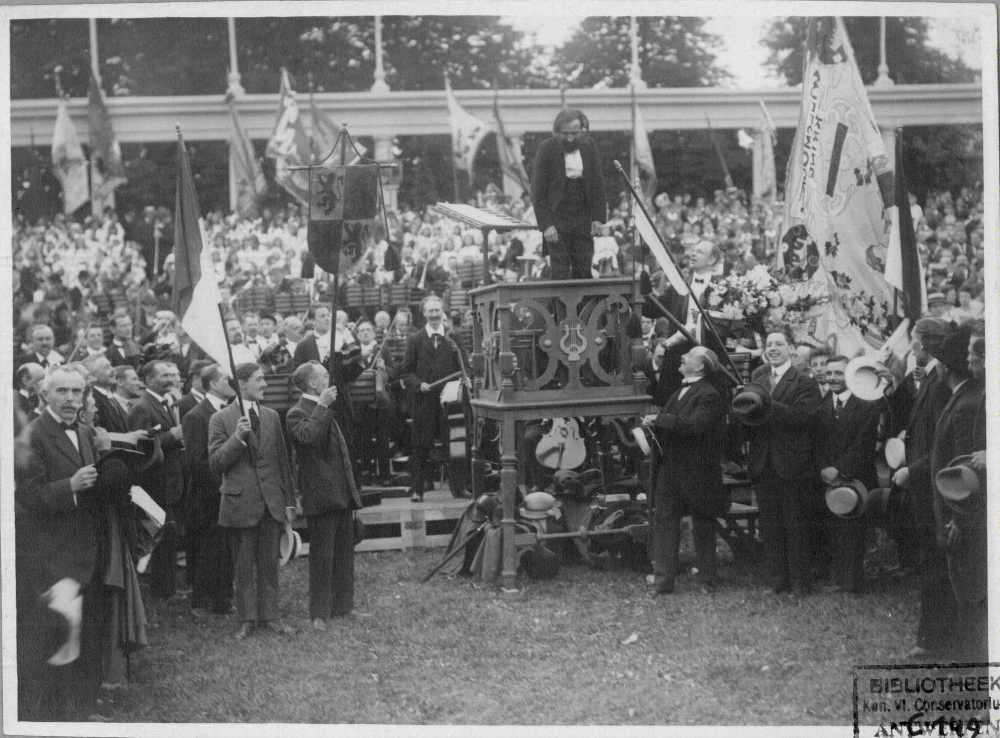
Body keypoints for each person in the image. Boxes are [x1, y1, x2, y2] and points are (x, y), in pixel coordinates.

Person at [16, 367, 107, 720]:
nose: (71, 399)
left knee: (85, 631)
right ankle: (50, 715)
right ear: (45, 395)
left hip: (87, 548)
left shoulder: (84, 431)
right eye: (62, 391)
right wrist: (69, 486)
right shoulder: (31, 435)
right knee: (54, 636)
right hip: (52, 552)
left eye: (77, 391)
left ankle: (81, 709)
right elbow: (28, 497)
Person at [208, 363, 297, 640]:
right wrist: (237, 438)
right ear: (242, 383)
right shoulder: (220, 419)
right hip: (241, 504)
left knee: (270, 563)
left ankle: (270, 616)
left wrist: (289, 501)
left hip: (271, 502)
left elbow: (283, 461)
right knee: (243, 565)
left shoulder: (271, 416)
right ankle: (247, 618)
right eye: (259, 379)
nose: (265, 385)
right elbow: (216, 463)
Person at [892, 318, 956, 661]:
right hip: (925, 486)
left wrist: (911, 471)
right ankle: (932, 638)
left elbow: (941, 444)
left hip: (932, 487)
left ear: (927, 345)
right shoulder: (930, 379)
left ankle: (934, 640)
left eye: (914, 341)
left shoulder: (940, 383)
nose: (911, 348)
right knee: (931, 562)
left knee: (936, 564)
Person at [745, 326, 822, 598]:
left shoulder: (804, 382)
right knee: (770, 525)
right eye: (769, 344)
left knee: (795, 525)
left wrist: (765, 402)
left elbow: (804, 418)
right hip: (763, 463)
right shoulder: (758, 378)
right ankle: (777, 580)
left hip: (792, 464)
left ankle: (800, 583)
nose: (773, 349)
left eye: (778, 344)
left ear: (791, 348)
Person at [286, 362, 363, 630]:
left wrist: (351, 492)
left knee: (344, 552)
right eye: (325, 376)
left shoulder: (326, 408)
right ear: (312, 384)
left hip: (340, 491)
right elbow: (308, 438)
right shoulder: (297, 413)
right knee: (322, 555)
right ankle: (319, 612)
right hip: (320, 494)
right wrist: (321, 407)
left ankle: (343, 606)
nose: (330, 380)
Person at [646, 346, 727, 595]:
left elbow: (695, 426)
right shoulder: (679, 390)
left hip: (698, 471)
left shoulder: (710, 394)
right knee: (665, 522)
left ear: (700, 366)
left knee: (703, 524)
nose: (682, 357)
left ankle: (707, 580)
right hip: (670, 468)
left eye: (689, 355)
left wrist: (659, 420)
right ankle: (663, 581)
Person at [927, 323, 984, 662]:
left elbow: (965, 469)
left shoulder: (965, 405)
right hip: (954, 513)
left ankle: (974, 665)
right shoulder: (963, 398)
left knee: (968, 592)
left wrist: (957, 519)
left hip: (959, 516)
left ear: (946, 368)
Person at [816, 355, 879, 594]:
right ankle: (837, 578)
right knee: (833, 527)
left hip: (856, 476)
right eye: (829, 373)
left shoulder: (865, 404)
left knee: (853, 530)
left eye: (838, 373)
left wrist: (840, 469)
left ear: (850, 376)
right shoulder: (823, 403)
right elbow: (815, 441)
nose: (832, 378)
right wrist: (824, 467)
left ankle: (852, 582)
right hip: (828, 478)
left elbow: (864, 443)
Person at [398, 295, 469, 503]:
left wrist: (462, 382)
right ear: (424, 313)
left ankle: (459, 488)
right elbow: (406, 372)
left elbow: (465, 367)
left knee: (455, 445)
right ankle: (418, 489)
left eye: (437, 310)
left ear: (443, 312)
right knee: (420, 446)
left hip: (451, 402)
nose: (434, 314)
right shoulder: (415, 339)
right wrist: (419, 384)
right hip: (423, 402)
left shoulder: (454, 337)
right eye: (430, 311)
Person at [127, 360, 186, 599]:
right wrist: (172, 436)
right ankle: (163, 590)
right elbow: (140, 446)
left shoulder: (163, 401)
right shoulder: (142, 407)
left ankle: (166, 588)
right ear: (148, 380)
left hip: (170, 481)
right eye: (163, 376)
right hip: (157, 483)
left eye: (171, 375)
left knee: (169, 536)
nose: (170, 380)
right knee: (162, 536)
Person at [181, 364, 236, 617]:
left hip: (227, 491)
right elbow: (196, 461)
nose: (231, 383)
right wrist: (221, 487)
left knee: (225, 547)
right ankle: (201, 601)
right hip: (208, 495)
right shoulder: (196, 416)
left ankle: (223, 599)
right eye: (226, 379)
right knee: (208, 549)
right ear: (213, 384)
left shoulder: (230, 411)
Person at [530, 108, 607, 280]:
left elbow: (597, 184)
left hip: (583, 217)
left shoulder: (589, 145)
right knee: (560, 272)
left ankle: (584, 299)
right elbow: (537, 191)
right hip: (557, 218)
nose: (570, 138)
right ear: (557, 132)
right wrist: (546, 225)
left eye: (575, 133)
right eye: (565, 134)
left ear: (582, 130)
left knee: (584, 269)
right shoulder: (546, 148)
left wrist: (598, 217)